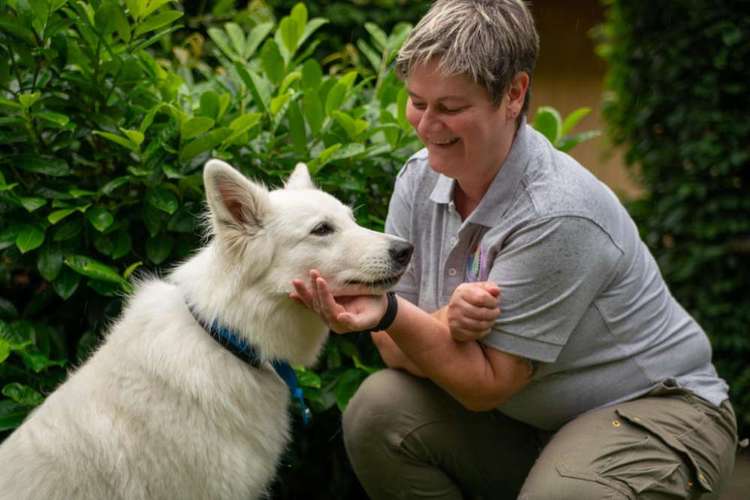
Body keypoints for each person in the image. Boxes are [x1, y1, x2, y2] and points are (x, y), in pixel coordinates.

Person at [290, 0, 739, 498]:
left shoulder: (558, 212)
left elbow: (483, 384)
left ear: (513, 94)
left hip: (654, 409)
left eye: (451, 108)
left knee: (565, 495)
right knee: (381, 410)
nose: (425, 126)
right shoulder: (419, 180)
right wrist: (440, 324)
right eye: (418, 101)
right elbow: (394, 350)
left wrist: (400, 316)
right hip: (532, 415)